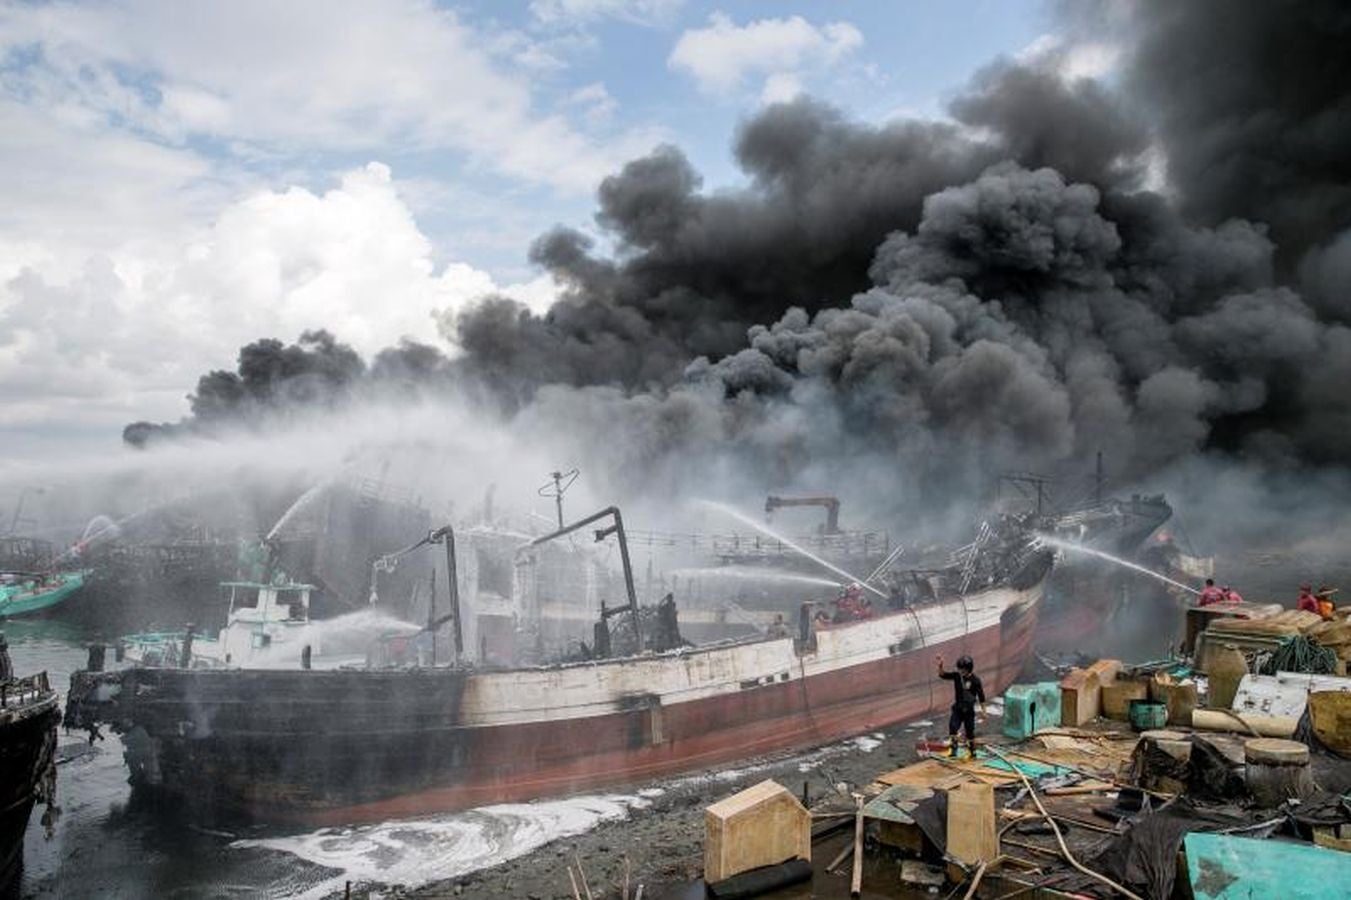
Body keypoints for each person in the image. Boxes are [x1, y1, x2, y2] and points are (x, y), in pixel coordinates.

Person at [936, 653, 986, 759]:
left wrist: (984, 711)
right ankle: (954, 750)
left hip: (969, 711)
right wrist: (940, 666)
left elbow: (981, 696)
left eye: (962, 669)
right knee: (953, 727)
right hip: (958, 708)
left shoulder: (975, 680)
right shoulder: (957, 676)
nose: (960, 671)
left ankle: (972, 752)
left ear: (969, 668)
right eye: (959, 669)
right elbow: (943, 675)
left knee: (970, 732)